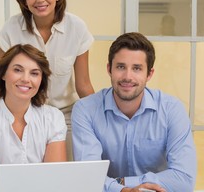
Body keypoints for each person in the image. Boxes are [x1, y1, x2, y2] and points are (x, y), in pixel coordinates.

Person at [0, 0, 95, 159]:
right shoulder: (11, 28)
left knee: (63, 174)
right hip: (22, 114)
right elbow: (0, 81)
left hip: (65, 115)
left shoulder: (76, 27)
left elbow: (84, 85)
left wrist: (101, 121)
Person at [72, 32, 197, 192]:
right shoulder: (85, 110)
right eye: (121, 67)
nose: (127, 76)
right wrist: (125, 190)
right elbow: (88, 178)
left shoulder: (172, 110)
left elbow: (184, 179)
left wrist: (122, 183)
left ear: (149, 74)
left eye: (137, 68)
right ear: (109, 69)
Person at [0, 44, 67, 192]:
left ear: (41, 80)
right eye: (18, 70)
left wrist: (3, 179)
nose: (26, 79)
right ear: (3, 74)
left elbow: (54, 180)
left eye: (34, 73)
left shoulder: (53, 118)